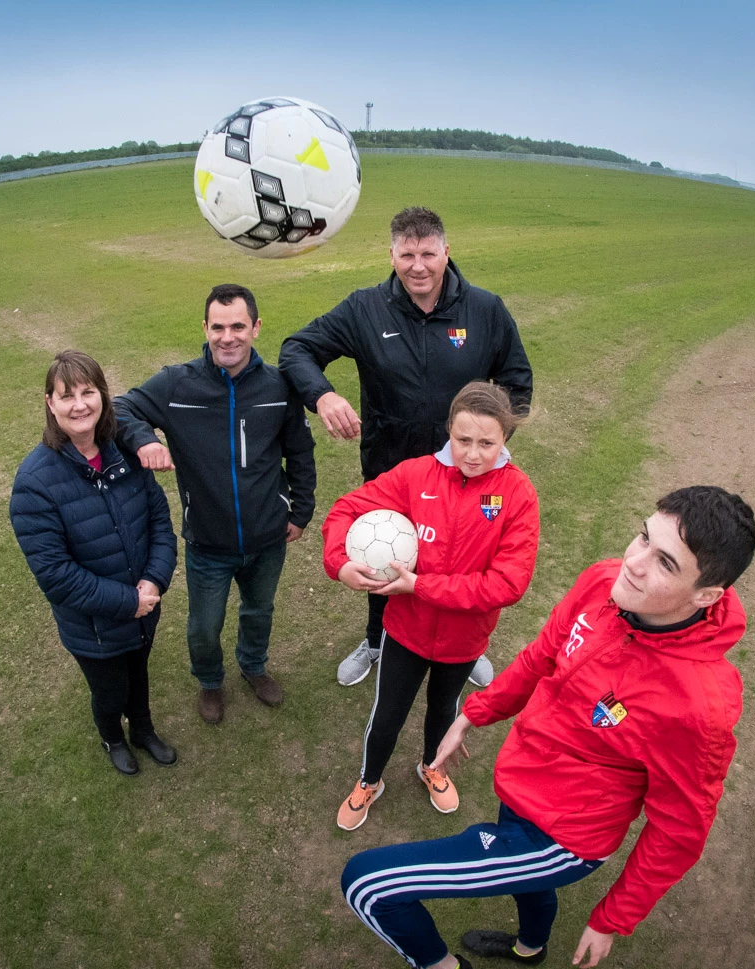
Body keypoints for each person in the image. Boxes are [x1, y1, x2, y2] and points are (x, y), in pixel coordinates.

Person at [341, 486, 755, 969]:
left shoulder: (700, 706)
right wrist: (474, 714)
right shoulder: (604, 581)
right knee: (528, 890)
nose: (634, 562)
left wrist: (611, 918)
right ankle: (530, 949)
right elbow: (543, 657)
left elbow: (679, 830)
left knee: (368, 883)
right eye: (644, 536)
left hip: (563, 838)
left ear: (707, 595)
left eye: (665, 563)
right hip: (522, 781)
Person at [280, 206, 534, 690]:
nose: (418, 266)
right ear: (392, 254)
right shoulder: (364, 308)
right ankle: (378, 639)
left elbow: (517, 381)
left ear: (446, 252)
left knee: (461, 558)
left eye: (428, 254)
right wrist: (323, 394)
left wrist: (485, 446)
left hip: (467, 474)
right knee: (383, 550)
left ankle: (464, 649)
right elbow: (297, 348)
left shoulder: (485, 310)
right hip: (391, 466)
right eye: (407, 254)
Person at [321, 382, 538, 832]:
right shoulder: (416, 475)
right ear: (448, 431)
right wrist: (339, 564)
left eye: (487, 443)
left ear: (504, 440)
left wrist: (421, 586)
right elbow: (346, 509)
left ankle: (430, 767)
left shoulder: (517, 494)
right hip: (405, 632)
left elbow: (509, 583)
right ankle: (369, 780)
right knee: (387, 717)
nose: (473, 454)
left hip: (464, 640)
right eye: (462, 440)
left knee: (444, 712)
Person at [114, 284, 316, 725]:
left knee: (259, 611)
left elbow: (300, 451)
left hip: (268, 538)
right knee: (204, 627)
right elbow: (119, 408)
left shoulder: (279, 386)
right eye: (218, 327)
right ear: (205, 328)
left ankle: (254, 666)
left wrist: (300, 511)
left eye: (238, 326)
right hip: (207, 541)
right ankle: (209, 681)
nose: (228, 337)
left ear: (256, 328)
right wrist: (144, 438)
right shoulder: (175, 383)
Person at [10, 350, 179, 776]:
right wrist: (128, 601)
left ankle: (142, 729)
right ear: (50, 403)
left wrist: (154, 581)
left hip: (143, 609)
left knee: (139, 678)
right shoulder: (34, 482)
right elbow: (55, 576)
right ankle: (113, 737)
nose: (80, 404)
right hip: (95, 628)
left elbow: (159, 520)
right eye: (67, 396)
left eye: (88, 392)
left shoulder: (124, 452)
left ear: (103, 395)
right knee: (109, 691)